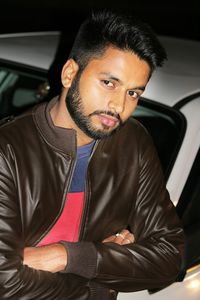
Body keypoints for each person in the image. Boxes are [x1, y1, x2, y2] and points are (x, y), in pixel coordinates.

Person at [0, 10, 184, 300]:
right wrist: (99, 281)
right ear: (70, 73)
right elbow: (6, 283)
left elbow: (169, 256)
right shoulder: (7, 151)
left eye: (133, 93)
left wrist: (65, 257)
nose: (118, 106)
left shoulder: (132, 142)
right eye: (109, 83)